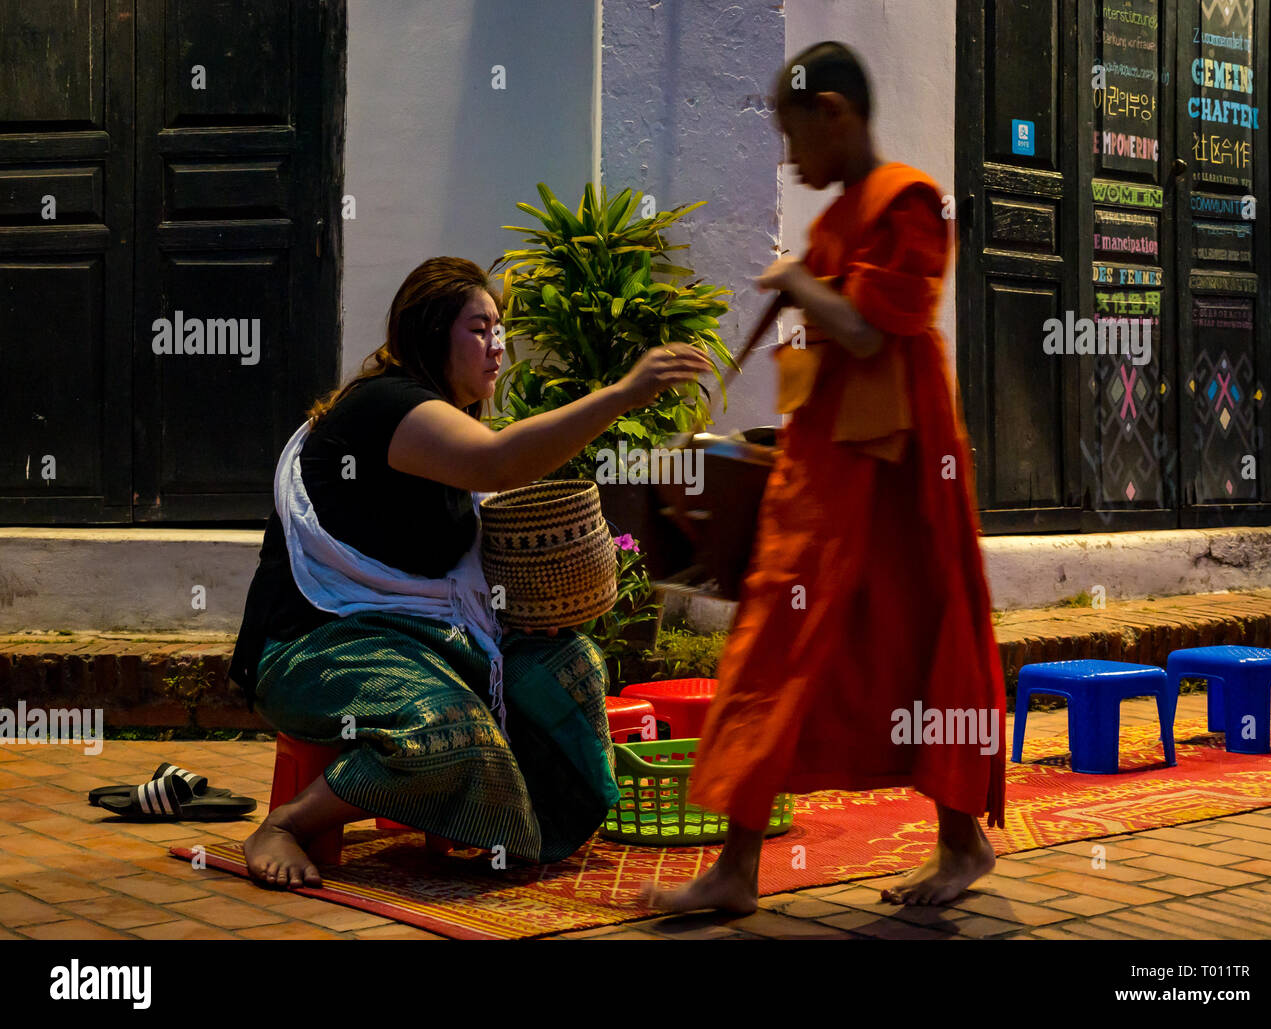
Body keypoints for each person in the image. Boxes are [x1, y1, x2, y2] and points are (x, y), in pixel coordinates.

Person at [640, 41, 1006, 914]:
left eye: (794, 134)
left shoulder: (909, 201)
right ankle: (734, 870)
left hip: (901, 485)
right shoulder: (840, 216)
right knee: (773, 642)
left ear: (834, 113)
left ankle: (962, 840)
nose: (790, 157)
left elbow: (876, 331)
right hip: (827, 477)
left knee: (919, 646)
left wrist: (800, 281)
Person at [230, 256, 711, 888]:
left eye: (499, 328)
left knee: (567, 666)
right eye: (479, 329)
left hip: (419, 637)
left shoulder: (445, 417)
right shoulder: (385, 406)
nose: (498, 346)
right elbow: (499, 464)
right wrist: (624, 393)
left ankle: (511, 829)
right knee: (447, 726)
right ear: (431, 334)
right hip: (313, 645)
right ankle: (287, 824)